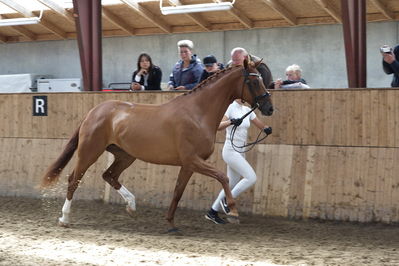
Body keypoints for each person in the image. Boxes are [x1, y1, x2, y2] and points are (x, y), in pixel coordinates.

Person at [205, 99, 272, 224]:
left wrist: (266, 129)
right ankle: (227, 199)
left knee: (231, 184)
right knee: (251, 177)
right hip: (230, 151)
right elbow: (218, 126)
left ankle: (212, 212)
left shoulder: (247, 110)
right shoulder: (230, 107)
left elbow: (260, 125)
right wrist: (231, 121)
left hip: (241, 151)